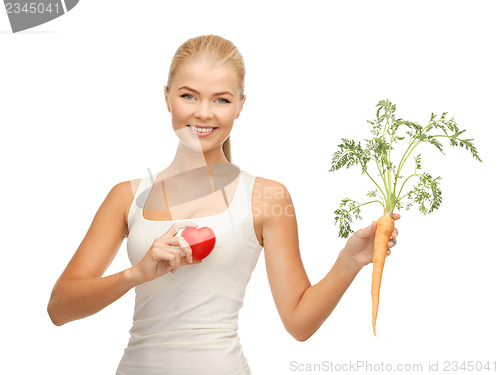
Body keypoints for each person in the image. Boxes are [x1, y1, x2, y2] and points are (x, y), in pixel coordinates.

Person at [47, 34, 399, 375]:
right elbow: (60, 307)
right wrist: (136, 274)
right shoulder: (125, 197)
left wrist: (349, 262)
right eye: (189, 95)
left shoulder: (266, 198)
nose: (203, 113)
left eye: (221, 100)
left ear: (241, 106)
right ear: (166, 96)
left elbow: (299, 323)